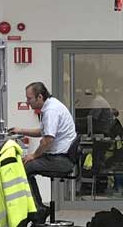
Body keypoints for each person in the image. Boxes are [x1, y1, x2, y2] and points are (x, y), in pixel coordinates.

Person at [8, 82, 79, 216]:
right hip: (60, 157)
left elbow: (47, 140)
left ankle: (38, 209)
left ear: (39, 97)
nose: (27, 102)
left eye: (29, 98)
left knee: (24, 168)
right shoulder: (51, 105)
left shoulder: (51, 111)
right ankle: (38, 206)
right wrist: (21, 130)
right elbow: (43, 132)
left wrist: (33, 155)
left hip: (61, 160)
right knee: (26, 164)